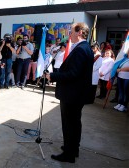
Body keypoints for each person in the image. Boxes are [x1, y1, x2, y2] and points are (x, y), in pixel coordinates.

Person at [46, 22, 94, 163]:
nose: (69, 34)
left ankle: (69, 154)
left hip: (72, 95)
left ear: (79, 33)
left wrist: (53, 76)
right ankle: (73, 148)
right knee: (75, 123)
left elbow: (73, 74)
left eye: (71, 31)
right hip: (76, 94)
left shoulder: (80, 50)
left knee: (69, 124)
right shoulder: (84, 47)